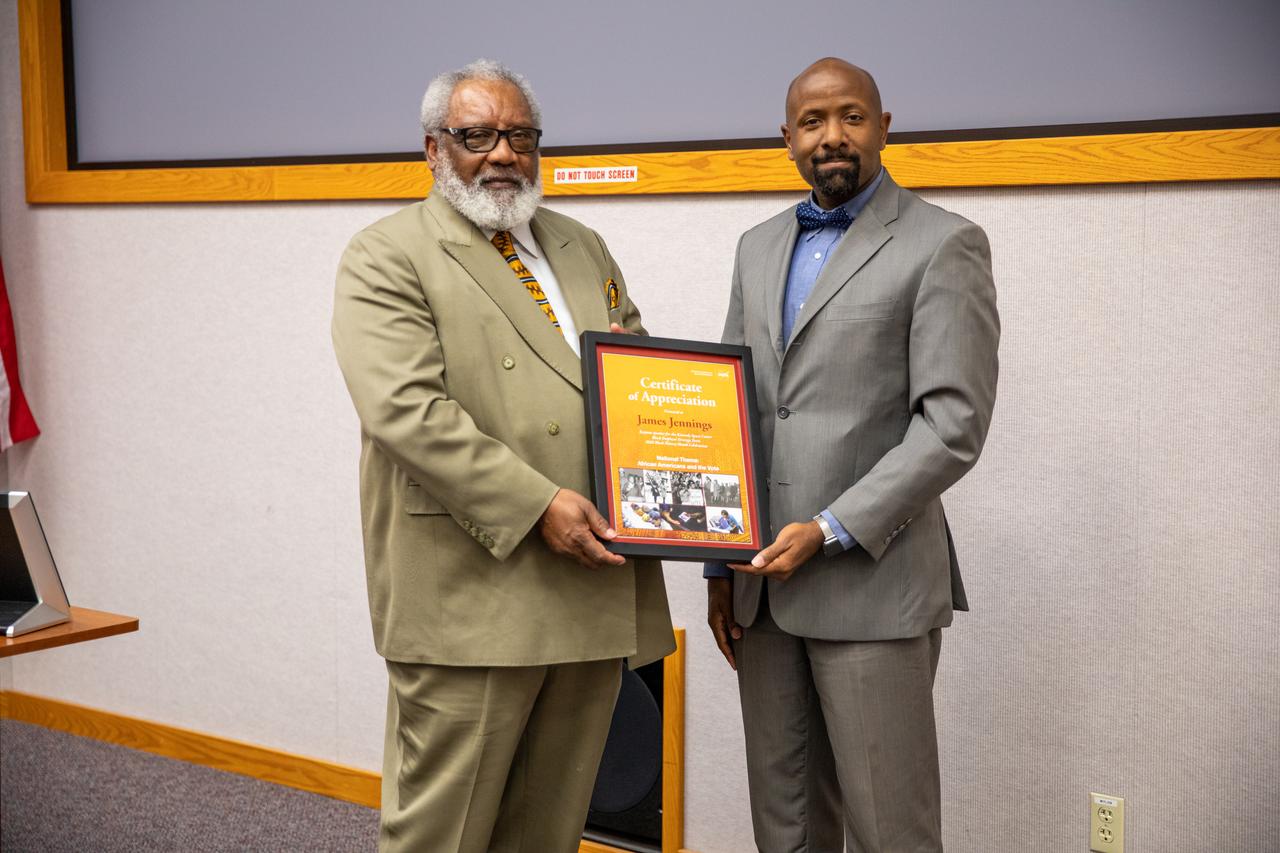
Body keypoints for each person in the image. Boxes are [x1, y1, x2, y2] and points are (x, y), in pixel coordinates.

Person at [332, 59, 674, 853]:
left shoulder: (581, 246)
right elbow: (406, 413)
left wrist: (693, 471)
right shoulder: (387, 255)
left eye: (520, 135)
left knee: (546, 831)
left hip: (591, 585)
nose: (503, 154)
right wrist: (538, 505)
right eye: (477, 134)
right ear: (433, 149)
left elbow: (643, 380)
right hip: (472, 595)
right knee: (442, 834)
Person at [705, 58, 999, 853]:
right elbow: (729, 409)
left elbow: (952, 423)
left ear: (883, 125)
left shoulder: (945, 243)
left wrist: (829, 526)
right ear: (787, 138)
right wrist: (716, 566)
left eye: (851, 116)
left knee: (888, 828)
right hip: (760, 591)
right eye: (812, 121)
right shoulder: (756, 246)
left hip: (872, 582)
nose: (832, 135)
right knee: (786, 824)